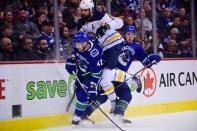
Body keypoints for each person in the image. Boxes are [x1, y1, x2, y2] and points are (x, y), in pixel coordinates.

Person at [82, 25, 161, 124]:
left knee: (126, 95)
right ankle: (84, 114)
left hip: (120, 76)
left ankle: (118, 116)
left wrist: (153, 59)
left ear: (135, 35)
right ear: (124, 34)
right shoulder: (116, 42)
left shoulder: (137, 47)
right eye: (128, 34)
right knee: (103, 96)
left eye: (132, 34)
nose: (130, 36)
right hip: (109, 72)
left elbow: (146, 63)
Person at [77, 0, 125, 110]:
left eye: (85, 10)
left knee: (105, 75)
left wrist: (106, 26)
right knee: (102, 78)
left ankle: (115, 101)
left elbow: (119, 22)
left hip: (114, 44)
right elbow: (80, 40)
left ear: (91, 9)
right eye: (82, 10)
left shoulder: (101, 15)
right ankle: (114, 102)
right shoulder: (81, 24)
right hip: (102, 50)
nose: (83, 12)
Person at [65, 31, 103, 126]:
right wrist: (71, 61)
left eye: (78, 43)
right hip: (81, 74)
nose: (76, 46)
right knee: (79, 94)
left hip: (91, 76)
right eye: (75, 43)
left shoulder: (95, 53)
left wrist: (93, 88)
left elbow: (97, 73)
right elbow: (74, 54)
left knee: (83, 93)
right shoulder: (78, 46)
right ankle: (81, 115)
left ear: (85, 43)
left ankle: (77, 117)